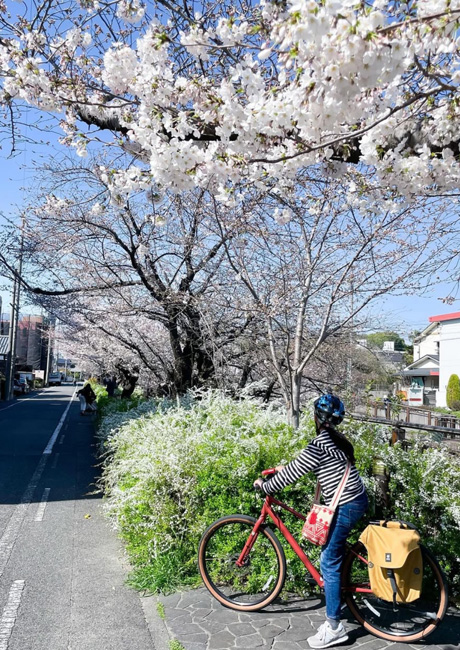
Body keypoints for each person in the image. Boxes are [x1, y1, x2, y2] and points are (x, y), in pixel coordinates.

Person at [253, 393, 368, 649]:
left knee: (329, 561)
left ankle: (335, 627)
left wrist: (265, 485)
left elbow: (292, 474)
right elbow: (307, 466)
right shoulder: (337, 440)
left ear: (316, 417)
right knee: (334, 553)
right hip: (355, 500)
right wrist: (286, 468)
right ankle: (338, 595)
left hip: (346, 505)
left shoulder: (320, 443)